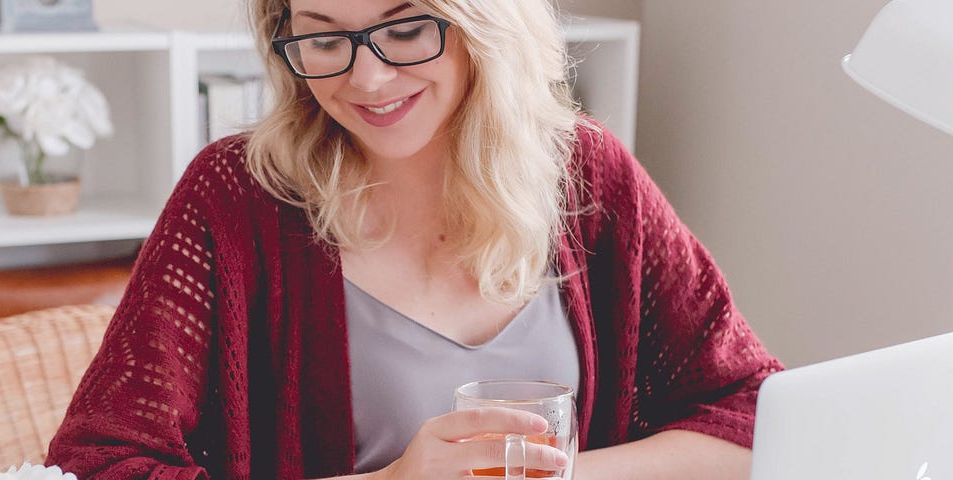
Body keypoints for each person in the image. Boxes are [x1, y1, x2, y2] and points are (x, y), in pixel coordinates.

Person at [45, 0, 784, 478]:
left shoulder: (589, 176)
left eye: (405, 29)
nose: (366, 77)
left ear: (485, 23)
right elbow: (96, 464)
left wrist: (549, 472)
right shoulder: (235, 197)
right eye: (324, 38)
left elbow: (754, 411)